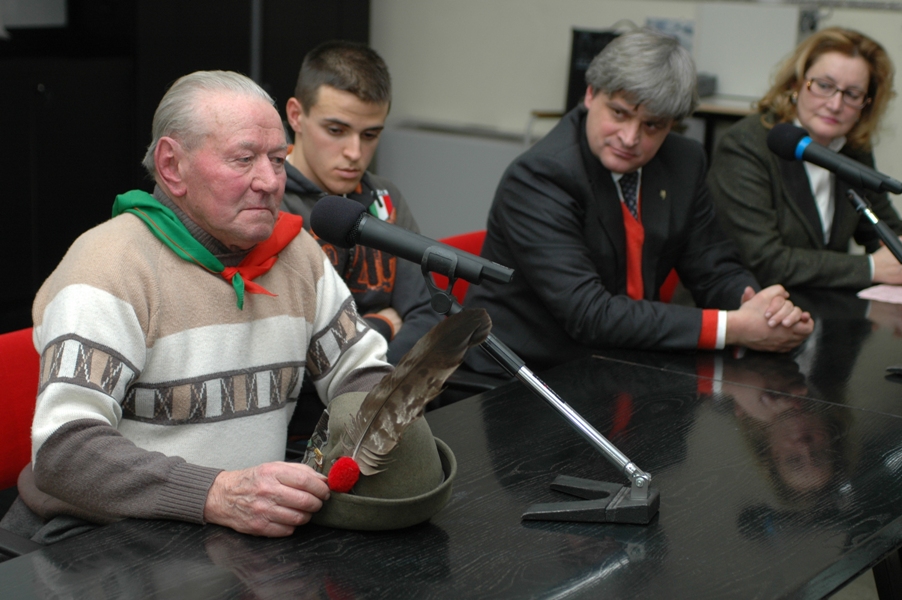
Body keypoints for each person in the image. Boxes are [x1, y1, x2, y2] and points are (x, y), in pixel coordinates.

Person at [0, 71, 394, 543]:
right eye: (244, 159)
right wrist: (218, 493)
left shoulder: (296, 253)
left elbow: (360, 372)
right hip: (95, 538)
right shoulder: (109, 265)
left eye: (277, 159)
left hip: (234, 535)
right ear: (172, 166)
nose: (270, 181)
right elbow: (64, 453)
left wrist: (385, 429)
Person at [465, 29, 813, 375]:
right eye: (619, 113)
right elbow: (590, 314)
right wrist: (732, 327)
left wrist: (762, 310)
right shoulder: (541, 176)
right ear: (590, 94)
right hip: (524, 377)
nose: (630, 138)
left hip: (623, 364)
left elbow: (714, 267)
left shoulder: (684, 161)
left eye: (652, 125)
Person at [282, 40, 440, 366]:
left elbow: (427, 314)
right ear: (296, 116)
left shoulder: (385, 196)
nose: (354, 153)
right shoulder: (267, 202)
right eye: (336, 130)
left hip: (388, 384)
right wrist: (381, 326)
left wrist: (374, 379)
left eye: (369, 135)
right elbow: (289, 348)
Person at [708, 28, 902, 290]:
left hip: (824, 303)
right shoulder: (746, 144)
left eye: (852, 94)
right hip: (753, 302)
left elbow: (881, 228)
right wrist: (871, 267)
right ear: (796, 84)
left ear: (865, 105)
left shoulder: (852, 148)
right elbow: (764, 260)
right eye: (824, 86)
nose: (835, 105)